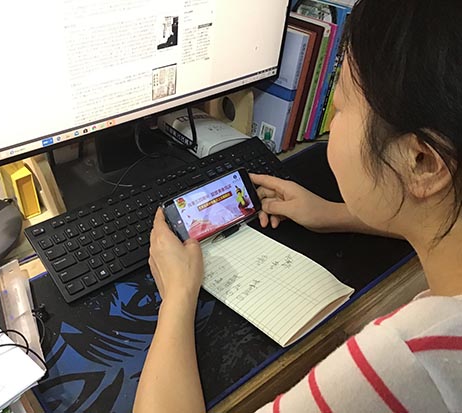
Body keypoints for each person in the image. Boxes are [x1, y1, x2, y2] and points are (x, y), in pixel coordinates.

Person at [133, 0, 462, 411]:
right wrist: (336, 214)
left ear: (422, 162)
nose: (331, 126)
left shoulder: (402, 364)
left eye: (340, 107)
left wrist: (178, 298)